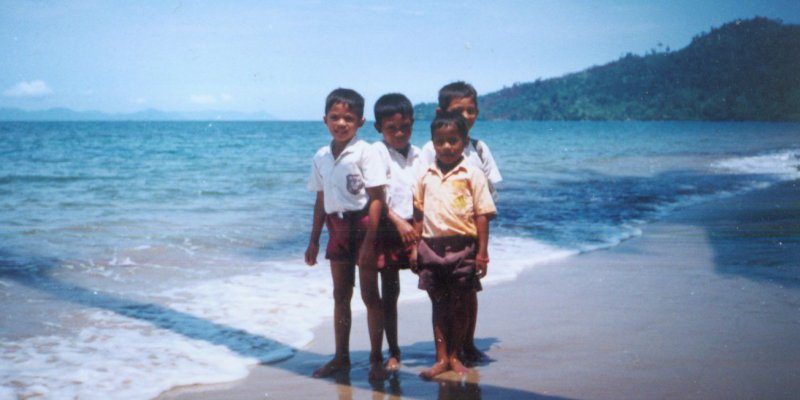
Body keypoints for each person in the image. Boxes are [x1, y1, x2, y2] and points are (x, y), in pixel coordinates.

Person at [305, 88, 388, 380]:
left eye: (348, 118)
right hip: (336, 229)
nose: (341, 123)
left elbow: (378, 198)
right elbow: (319, 201)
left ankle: (377, 357)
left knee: (369, 295)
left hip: (364, 226)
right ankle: (341, 357)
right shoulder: (321, 157)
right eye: (335, 117)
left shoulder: (366, 152)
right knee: (341, 295)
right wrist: (314, 240)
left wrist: (369, 242)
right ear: (325, 119)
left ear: (361, 122)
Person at [419, 81, 501, 362]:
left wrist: (482, 245)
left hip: (469, 233)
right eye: (458, 110)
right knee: (441, 296)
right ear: (441, 112)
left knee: (467, 294)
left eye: (471, 110)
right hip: (436, 235)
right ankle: (448, 350)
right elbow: (420, 192)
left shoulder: (478, 149)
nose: (466, 117)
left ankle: (466, 344)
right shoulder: (430, 150)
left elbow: (489, 194)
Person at [370, 93, 422, 372]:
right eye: (391, 128)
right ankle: (394, 351)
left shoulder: (421, 154)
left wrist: (416, 231)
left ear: (412, 123)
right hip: (389, 229)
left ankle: (449, 348)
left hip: (420, 228)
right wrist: (399, 223)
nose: (399, 133)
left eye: (405, 127)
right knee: (390, 294)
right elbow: (375, 195)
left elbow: (425, 195)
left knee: (438, 287)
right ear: (379, 128)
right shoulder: (376, 152)